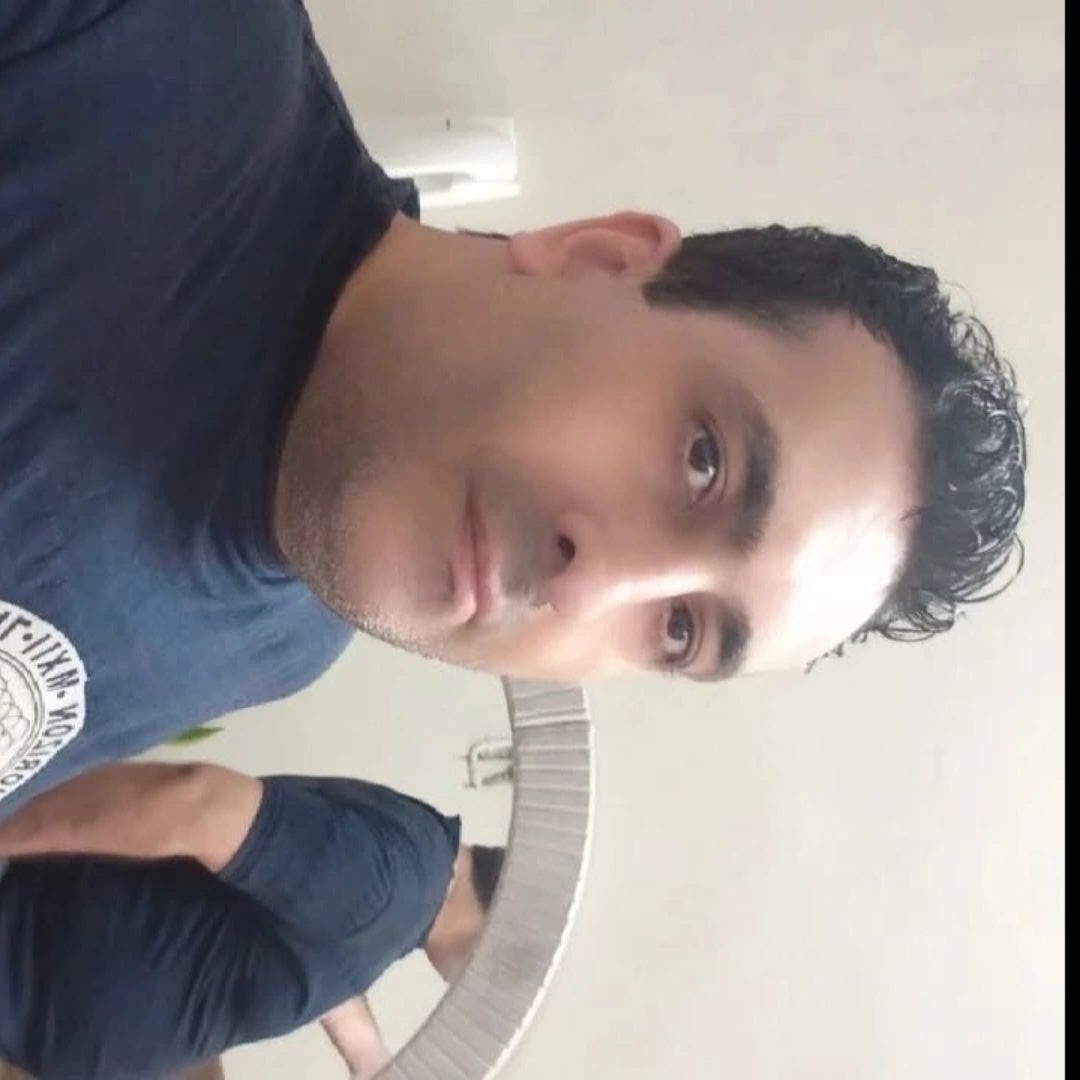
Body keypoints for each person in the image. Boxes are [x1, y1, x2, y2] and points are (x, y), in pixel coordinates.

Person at [0, 0, 1027, 820]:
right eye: (703, 460)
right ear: (598, 255)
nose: (592, 587)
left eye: (680, 630)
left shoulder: (281, 642)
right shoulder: (135, 40)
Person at [0, 761, 505, 1079]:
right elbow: (195, 803)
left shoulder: (415, 876)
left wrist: (367, 1056)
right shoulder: (394, 886)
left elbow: (318, 931)